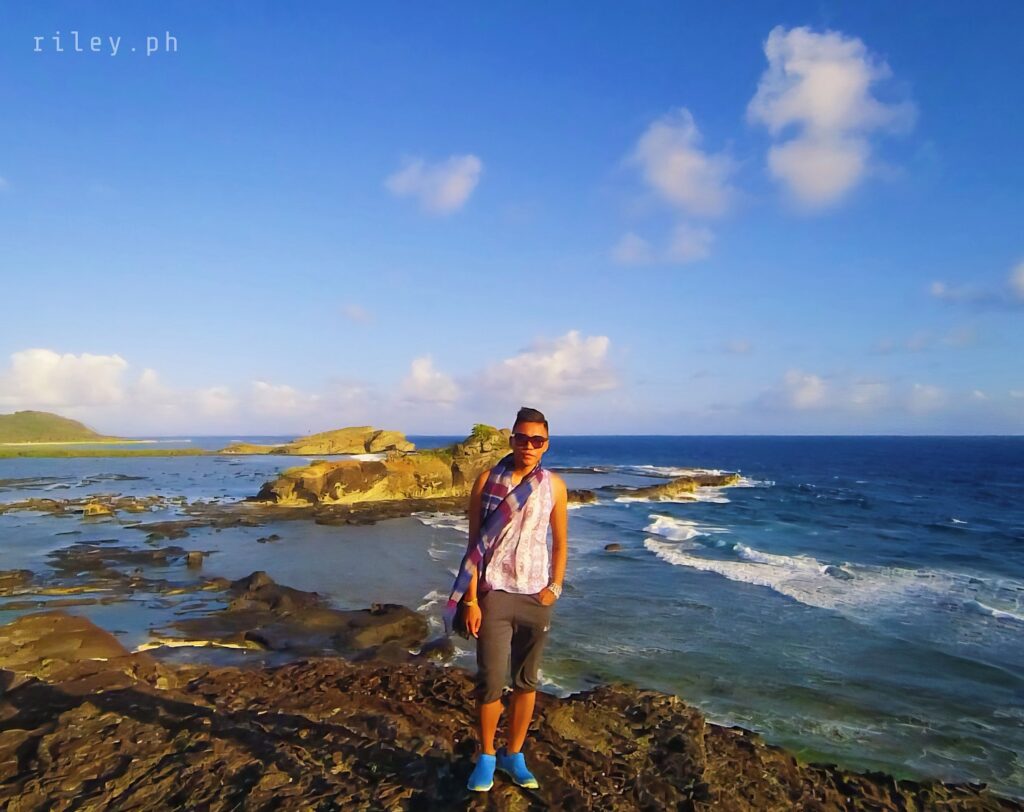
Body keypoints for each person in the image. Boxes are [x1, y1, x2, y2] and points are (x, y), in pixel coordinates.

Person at [443, 406, 568, 792]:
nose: (528, 446)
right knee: (491, 682)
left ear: (546, 445)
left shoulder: (555, 487)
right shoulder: (487, 481)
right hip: (494, 593)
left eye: (537, 440)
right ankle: (486, 756)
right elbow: (474, 546)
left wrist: (554, 588)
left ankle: (514, 754)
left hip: (535, 596)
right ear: (511, 439)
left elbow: (561, 543)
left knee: (527, 682)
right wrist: (471, 601)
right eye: (521, 438)